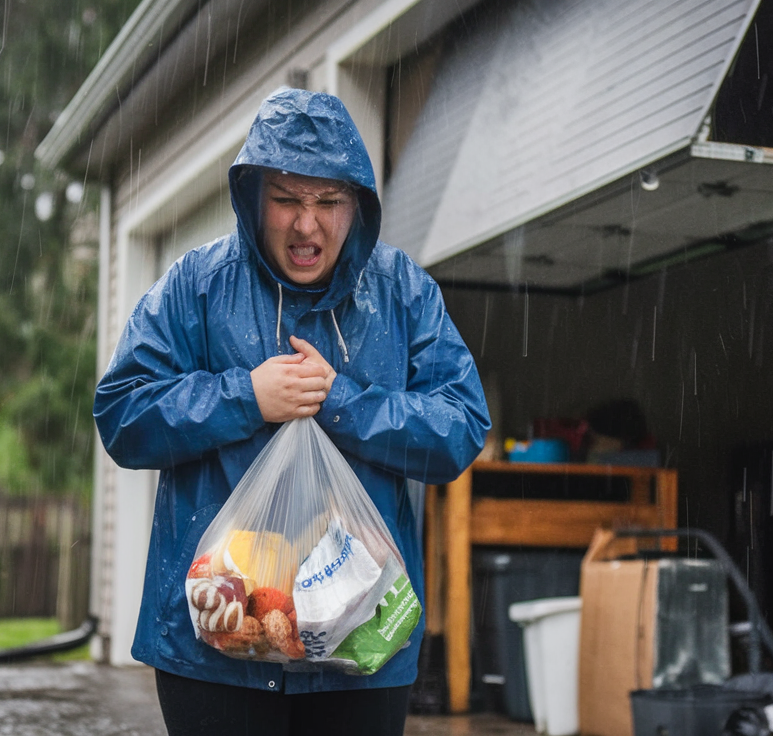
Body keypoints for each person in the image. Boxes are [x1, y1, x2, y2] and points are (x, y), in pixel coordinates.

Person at [93, 88, 490, 736]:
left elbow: (461, 426)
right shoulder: (199, 286)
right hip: (213, 645)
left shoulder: (403, 294)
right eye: (287, 200)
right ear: (252, 200)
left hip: (359, 643)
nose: (308, 225)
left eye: (329, 202)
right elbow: (121, 414)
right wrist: (245, 397)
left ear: (357, 204)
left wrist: (343, 403)